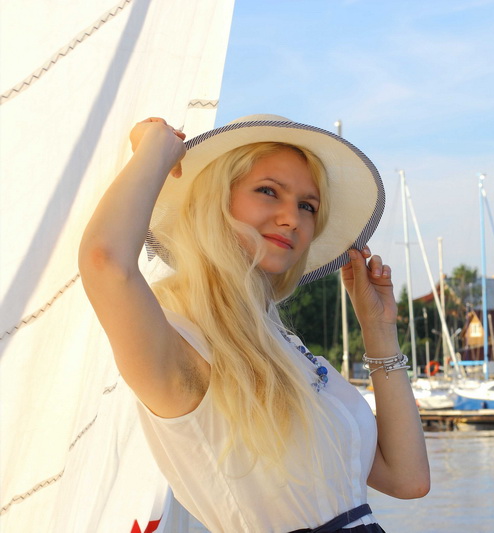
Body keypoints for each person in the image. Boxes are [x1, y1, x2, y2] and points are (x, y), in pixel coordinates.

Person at [79, 114, 430, 532]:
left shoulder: (288, 350)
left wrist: (379, 329)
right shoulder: (180, 346)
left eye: (307, 206)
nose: (292, 218)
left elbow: (407, 479)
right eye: (268, 191)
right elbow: (105, 263)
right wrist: (157, 145)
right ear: (214, 200)